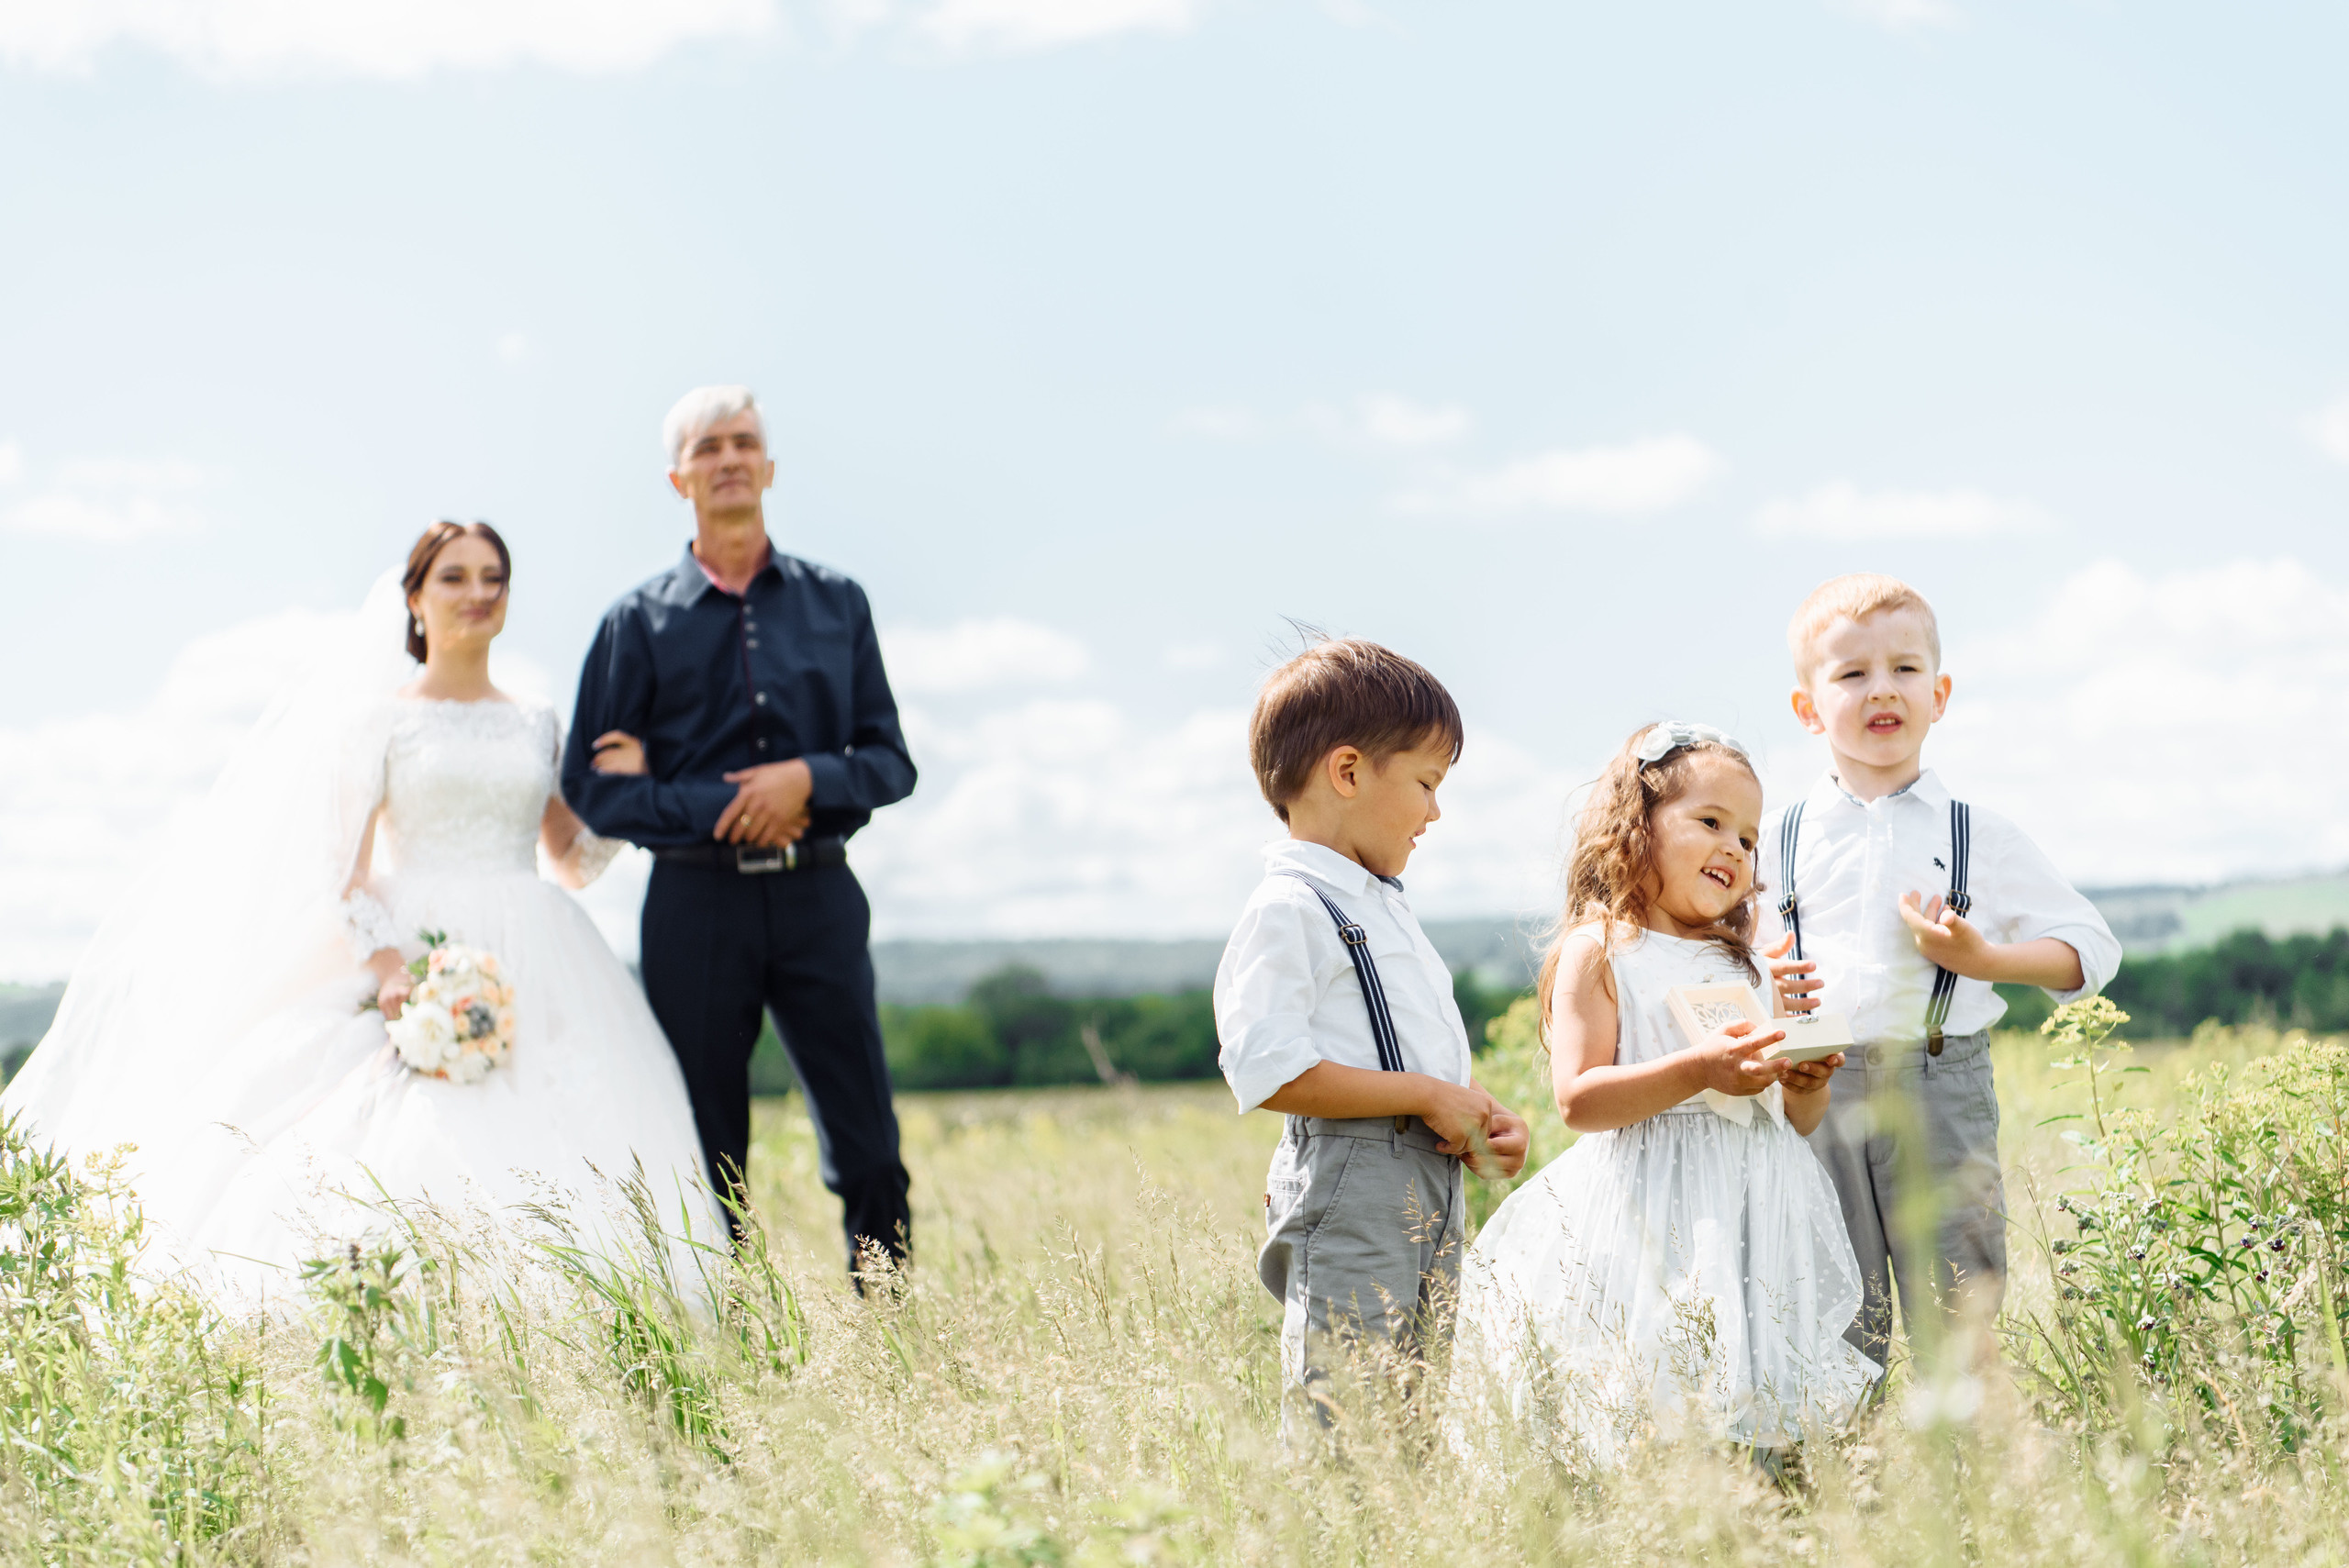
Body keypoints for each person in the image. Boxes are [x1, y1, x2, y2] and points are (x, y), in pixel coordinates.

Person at [2, 522, 720, 1306]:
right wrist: (390, 968)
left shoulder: (538, 719)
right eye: (454, 577)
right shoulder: (378, 719)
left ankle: (561, 1315)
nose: (477, 594)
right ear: (415, 598)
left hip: (538, 951)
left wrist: (626, 797)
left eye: (493, 578)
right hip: (418, 946)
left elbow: (572, 861)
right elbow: (340, 869)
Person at [1453, 723, 1876, 1470]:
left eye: (1748, 839)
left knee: (1755, 1405)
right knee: (1657, 1400)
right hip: (1651, 1213)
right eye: (1710, 822)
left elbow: (1791, 1120)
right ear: (1635, 827)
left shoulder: (1746, 967)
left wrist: (1806, 1084)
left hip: (1751, 1216)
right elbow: (1579, 1099)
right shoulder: (1602, 949)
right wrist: (1698, 1069)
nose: (1734, 849)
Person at [562, 385, 917, 1272]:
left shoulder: (840, 603)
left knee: (868, 1139)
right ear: (679, 478)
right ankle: (733, 1340)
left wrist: (809, 777)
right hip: (694, 904)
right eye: (708, 447)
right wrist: (719, 804)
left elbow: (889, 762)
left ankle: (896, 1343)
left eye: (744, 442)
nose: (728, 458)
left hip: (819, 893)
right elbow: (590, 791)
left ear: (769, 467)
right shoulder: (634, 624)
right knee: (706, 1146)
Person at [1758, 573, 2119, 1370]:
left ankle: (1976, 1483)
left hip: (1939, 1083)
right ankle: (1851, 1478)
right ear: (1808, 708)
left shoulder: (1976, 834)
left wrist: (1982, 960)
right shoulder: (1776, 836)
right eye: (1852, 674)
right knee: (1829, 1315)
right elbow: (1730, 960)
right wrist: (1769, 982)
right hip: (1815, 1089)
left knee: (1959, 1309)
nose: (1881, 689)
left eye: (1905, 668)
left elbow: (2090, 948)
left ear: (1940, 693)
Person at [1215, 638, 1531, 1434]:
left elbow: (1398, 1046)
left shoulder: (1382, 904)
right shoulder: (1290, 905)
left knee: (1418, 1407)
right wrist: (1424, 1094)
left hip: (1426, 1179)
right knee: (1346, 1408)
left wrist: (1472, 1111)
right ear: (1348, 773)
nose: (1435, 811)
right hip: (1351, 1176)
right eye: (1426, 782)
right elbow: (1266, 1066)